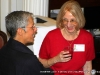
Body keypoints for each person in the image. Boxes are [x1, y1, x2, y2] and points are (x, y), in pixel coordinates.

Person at [39, 1, 95, 75]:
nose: (69, 25)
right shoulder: (51, 36)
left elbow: (87, 66)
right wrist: (56, 59)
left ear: (79, 19)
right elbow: (40, 63)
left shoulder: (87, 37)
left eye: (73, 20)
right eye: (65, 20)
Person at [0, 11, 54, 75]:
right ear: (20, 31)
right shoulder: (28, 60)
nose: (35, 29)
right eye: (32, 27)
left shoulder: (3, 50)